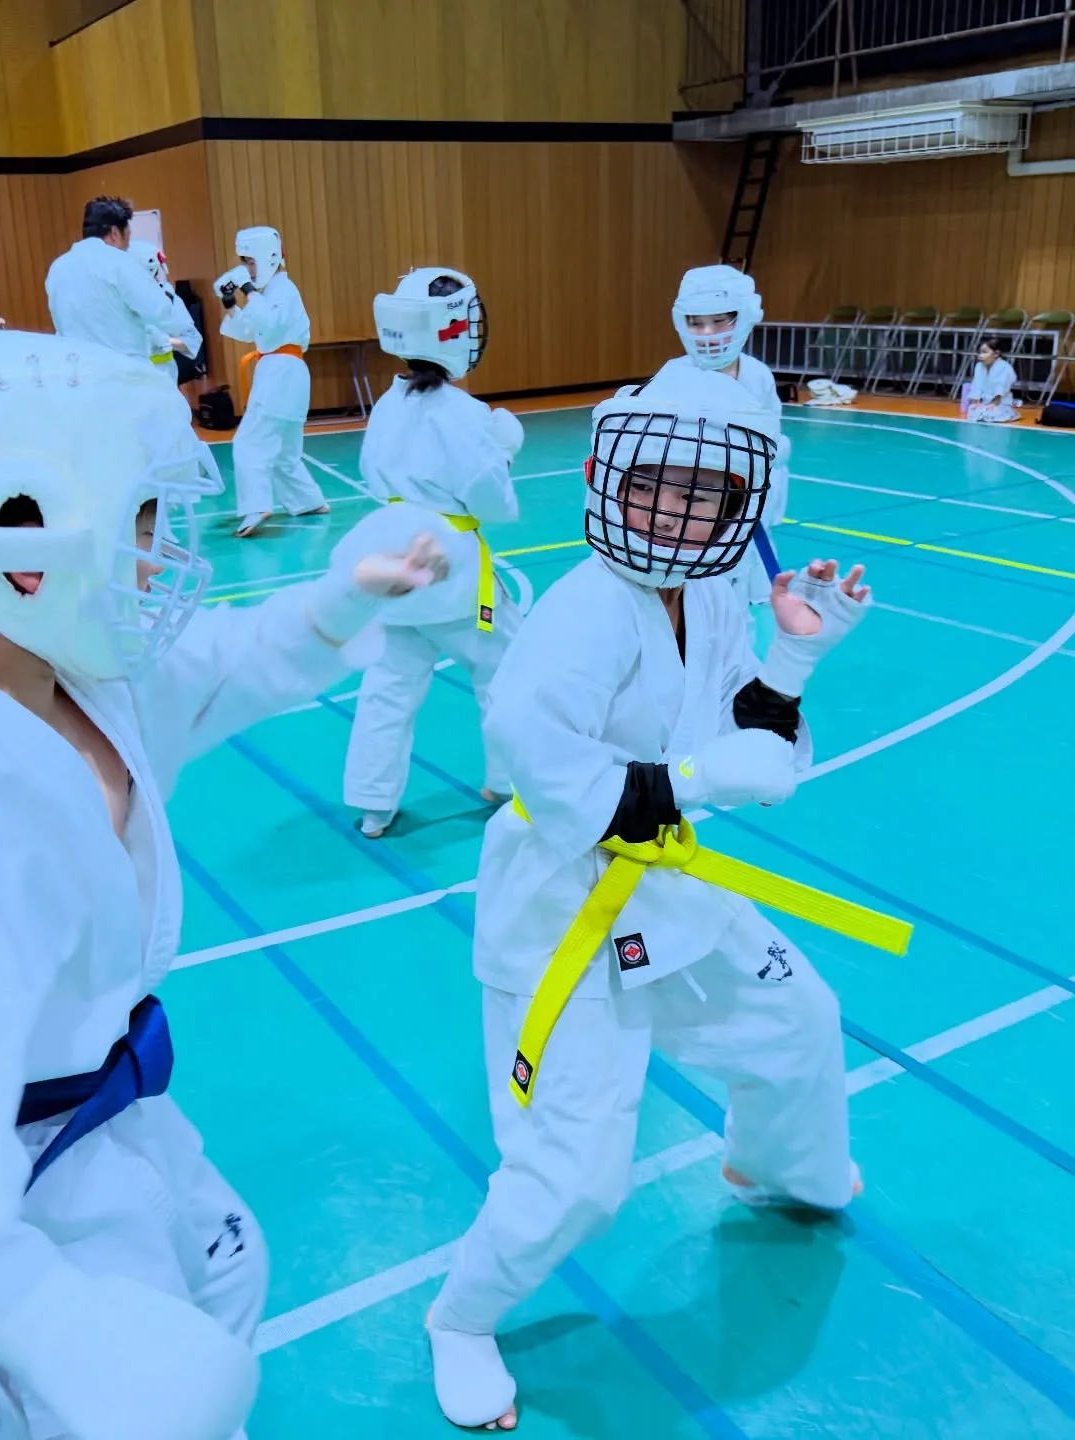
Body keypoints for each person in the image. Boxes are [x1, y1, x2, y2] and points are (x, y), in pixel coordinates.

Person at [0, 333, 453, 1440]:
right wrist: (45, 1316)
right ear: (17, 529)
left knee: (223, 1288)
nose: (161, 552)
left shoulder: (75, 679)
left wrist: (340, 601)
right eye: (141, 518)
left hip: (112, 1126)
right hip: (0, 1203)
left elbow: (219, 667)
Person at [425, 362, 872, 1432]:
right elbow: (543, 766)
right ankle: (461, 1317)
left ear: (742, 505)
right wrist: (708, 779)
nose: (673, 507)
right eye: (657, 481)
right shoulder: (584, 614)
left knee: (798, 1020)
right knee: (577, 1177)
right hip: (559, 913)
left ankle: (777, 1166)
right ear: (608, 476)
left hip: (666, 884)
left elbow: (737, 724)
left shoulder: (710, 594)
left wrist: (796, 658)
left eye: (704, 491)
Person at [336, 267, 523, 839]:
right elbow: (494, 505)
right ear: (456, 329)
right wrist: (505, 450)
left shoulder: (388, 405)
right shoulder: (463, 415)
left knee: (389, 684)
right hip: (450, 569)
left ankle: (373, 803)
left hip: (393, 558)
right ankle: (511, 780)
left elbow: (371, 472)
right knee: (505, 668)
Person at [671, 264, 792, 627]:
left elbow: (771, 437)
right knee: (700, 597)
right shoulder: (674, 378)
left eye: (719, 321)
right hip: (694, 507)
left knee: (739, 590)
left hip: (749, 499)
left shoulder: (758, 377)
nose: (707, 334)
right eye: (697, 322)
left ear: (744, 317)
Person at [215, 226, 328, 537]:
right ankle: (308, 501)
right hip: (286, 373)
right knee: (285, 452)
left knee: (249, 442)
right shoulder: (272, 294)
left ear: (269, 257)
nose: (247, 268)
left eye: (250, 261)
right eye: (244, 262)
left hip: (280, 371)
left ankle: (255, 507)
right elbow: (246, 331)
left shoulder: (284, 290)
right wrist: (230, 302)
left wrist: (248, 289)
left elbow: (270, 322)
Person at [45, 196, 177, 361]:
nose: (127, 247)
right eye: (127, 238)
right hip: (123, 372)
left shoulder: (57, 268)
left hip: (80, 371)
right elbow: (160, 312)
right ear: (115, 233)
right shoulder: (120, 262)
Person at [128, 239, 203, 384]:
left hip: (165, 378)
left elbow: (192, 340)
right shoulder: (117, 302)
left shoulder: (167, 297)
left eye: (157, 274)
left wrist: (166, 341)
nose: (157, 280)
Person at [968, 338, 1020, 423]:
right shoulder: (979, 366)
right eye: (980, 352)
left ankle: (1010, 413)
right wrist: (976, 402)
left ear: (996, 354)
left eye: (985, 352)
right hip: (984, 403)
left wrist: (994, 404)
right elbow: (976, 385)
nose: (980, 355)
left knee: (993, 412)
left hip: (1001, 403)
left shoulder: (1005, 367)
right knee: (972, 410)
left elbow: (1001, 387)